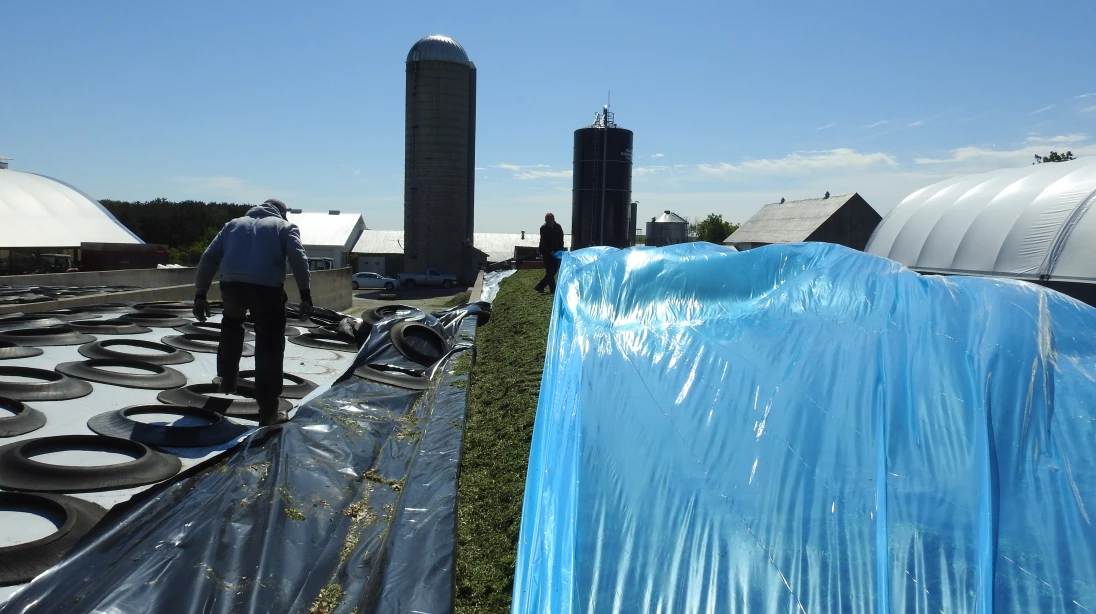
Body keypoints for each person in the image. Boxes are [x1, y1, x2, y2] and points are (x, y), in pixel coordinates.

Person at [192, 198, 313, 426]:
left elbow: (209, 257)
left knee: (231, 326)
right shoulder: (284, 227)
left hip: (232, 286)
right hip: (266, 290)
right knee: (269, 342)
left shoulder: (233, 225)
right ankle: (268, 410)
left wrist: (200, 295)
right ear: (282, 213)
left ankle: (227, 380)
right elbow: (298, 258)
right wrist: (305, 295)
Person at [534, 212, 565, 294]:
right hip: (546, 252)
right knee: (549, 271)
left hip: (556, 252)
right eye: (546, 221)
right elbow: (544, 242)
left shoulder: (558, 227)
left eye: (549, 221)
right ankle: (552, 290)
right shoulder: (543, 228)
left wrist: (560, 250)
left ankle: (540, 287)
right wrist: (550, 251)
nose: (547, 223)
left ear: (553, 220)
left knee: (554, 270)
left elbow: (561, 240)